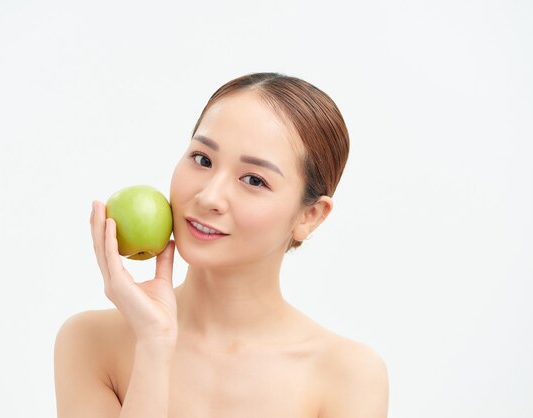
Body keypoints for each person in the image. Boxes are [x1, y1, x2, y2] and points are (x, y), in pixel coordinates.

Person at [54, 72, 389, 418]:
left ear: (310, 216)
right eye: (202, 159)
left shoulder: (348, 376)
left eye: (254, 180)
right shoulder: (90, 342)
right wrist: (153, 346)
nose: (209, 196)